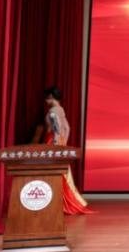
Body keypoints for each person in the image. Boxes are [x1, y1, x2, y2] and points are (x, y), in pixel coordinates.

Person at [40, 86, 93, 215]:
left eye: (46, 98)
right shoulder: (61, 109)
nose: (45, 100)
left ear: (51, 97)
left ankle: (57, 202)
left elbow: (57, 128)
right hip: (60, 142)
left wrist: (56, 143)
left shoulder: (52, 111)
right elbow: (67, 128)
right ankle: (61, 201)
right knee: (62, 172)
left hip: (52, 141)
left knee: (52, 172)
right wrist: (64, 143)